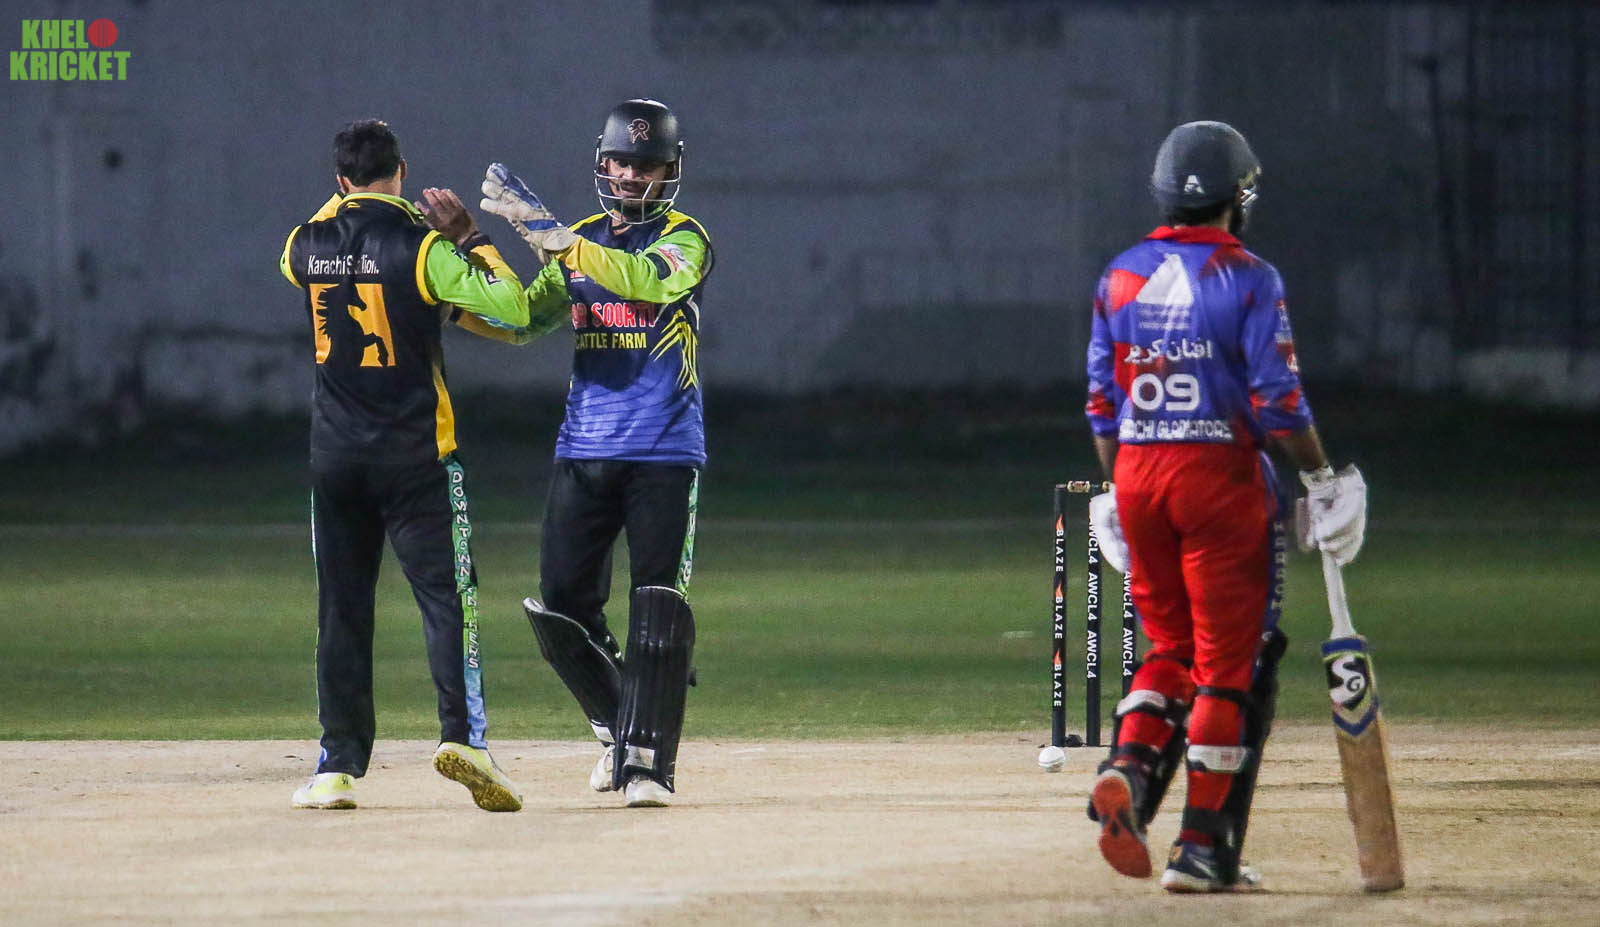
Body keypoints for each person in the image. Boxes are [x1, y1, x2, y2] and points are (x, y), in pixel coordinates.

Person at [1081, 120, 1367, 891]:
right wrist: (1320, 477)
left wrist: (1115, 489)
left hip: (1139, 475)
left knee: (1169, 648)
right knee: (1226, 670)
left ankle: (1128, 769)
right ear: (1240, 196)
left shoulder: (1118, 276)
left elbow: (1102, 404)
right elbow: (1278, 400)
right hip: (1219, 482)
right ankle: (1202, 851)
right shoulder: (1249, 276)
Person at [278, 119, 564, 811]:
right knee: (447, 601)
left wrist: (348, 201)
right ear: (401, 172)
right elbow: (513, 311)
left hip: (335, 458)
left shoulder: (304, 244)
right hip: (416, 459)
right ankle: (464, 739)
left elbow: (321, 238)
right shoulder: (423, 247)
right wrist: (470, 237)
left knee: (342, 607)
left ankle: (336, 765)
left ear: (340, 180)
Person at [475, 99, 713, 808]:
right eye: (621, 162)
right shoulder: (574, 240)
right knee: (561, 603)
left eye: (647, 165)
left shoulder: (686, 238)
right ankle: (617, 725)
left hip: (664, 449)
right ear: (602, 163)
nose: (632, 175)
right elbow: (522, 321)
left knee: (657, 604)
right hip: (583, 448)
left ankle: (649, 765)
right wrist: (469, 251)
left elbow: (646, 280)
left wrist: (551, 236)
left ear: (669, 171)